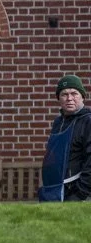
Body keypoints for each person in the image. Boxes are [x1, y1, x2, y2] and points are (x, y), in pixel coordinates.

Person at [40, 73, 91, 202]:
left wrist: (80, 193)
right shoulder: (58, 123)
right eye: (64, 94)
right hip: (55, 191)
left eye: (74, 93)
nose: (69, 98)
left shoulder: (88, 121)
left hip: (79, 194)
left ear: (82, 97)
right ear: (59, 98)